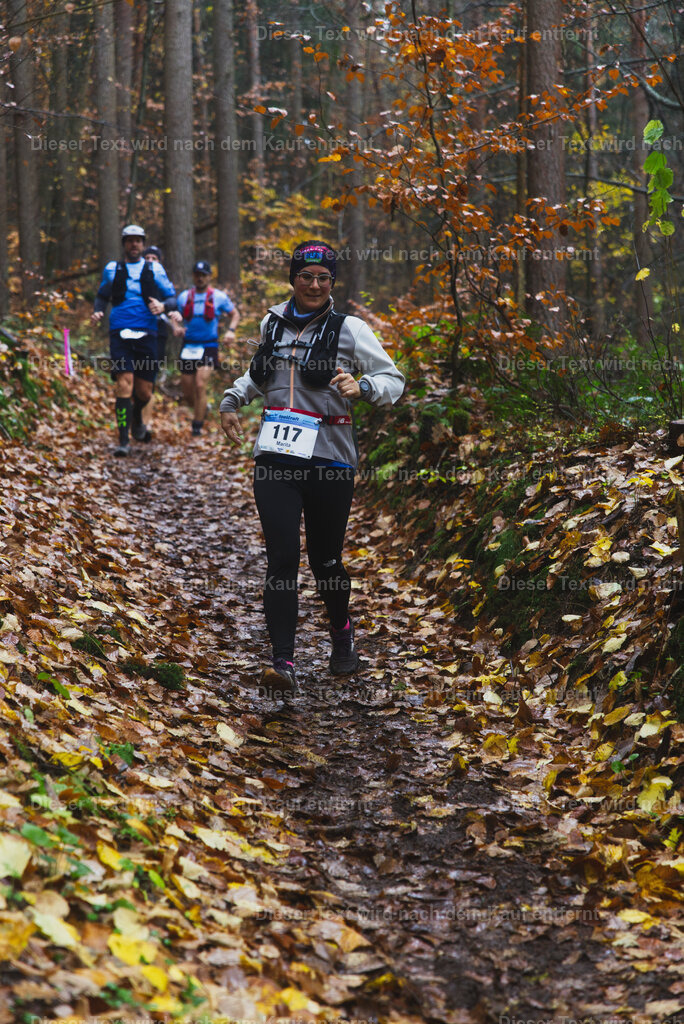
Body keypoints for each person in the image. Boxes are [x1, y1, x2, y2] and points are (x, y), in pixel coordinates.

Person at [219, 240, 404, 697]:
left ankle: (341, 632)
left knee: (325, 561)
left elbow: (393, 380)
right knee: (282, 557)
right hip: (276, 457)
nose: (315, 285)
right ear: (293, 279)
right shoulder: (272, 322)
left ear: (332, 282)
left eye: (324, 277)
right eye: (307, 276)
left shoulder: (351, 329)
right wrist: (232, 398)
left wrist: (362, 386)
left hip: (330, 458)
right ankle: (282, 660)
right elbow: (259, 373)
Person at [92, 225, 175, 456]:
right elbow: (101, 295)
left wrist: (164, 306)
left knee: (144, 392)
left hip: (148, 333)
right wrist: (98, 311)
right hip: (120, 332)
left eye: (138, 240)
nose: (134, 244)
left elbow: (172, 298)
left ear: (143, 243)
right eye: (130, 240)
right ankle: (123, 441)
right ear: (124, 244)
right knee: (123, 384)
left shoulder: (154, 268)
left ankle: (138, 417)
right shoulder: (113, 268)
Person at [164, 260, 240, 436]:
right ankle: (203, 407)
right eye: (197, 275)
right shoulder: (184, 297)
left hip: (209, 346)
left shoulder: (219, 297)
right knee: (188, 389)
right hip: (189, 346)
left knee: (200, 384)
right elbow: (173, 316)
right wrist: (176, 328)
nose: (200, 278)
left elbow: (235, 314)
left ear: (209, 277)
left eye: (203, 275)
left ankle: (196, 426)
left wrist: (231, 331)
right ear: (193, 276)